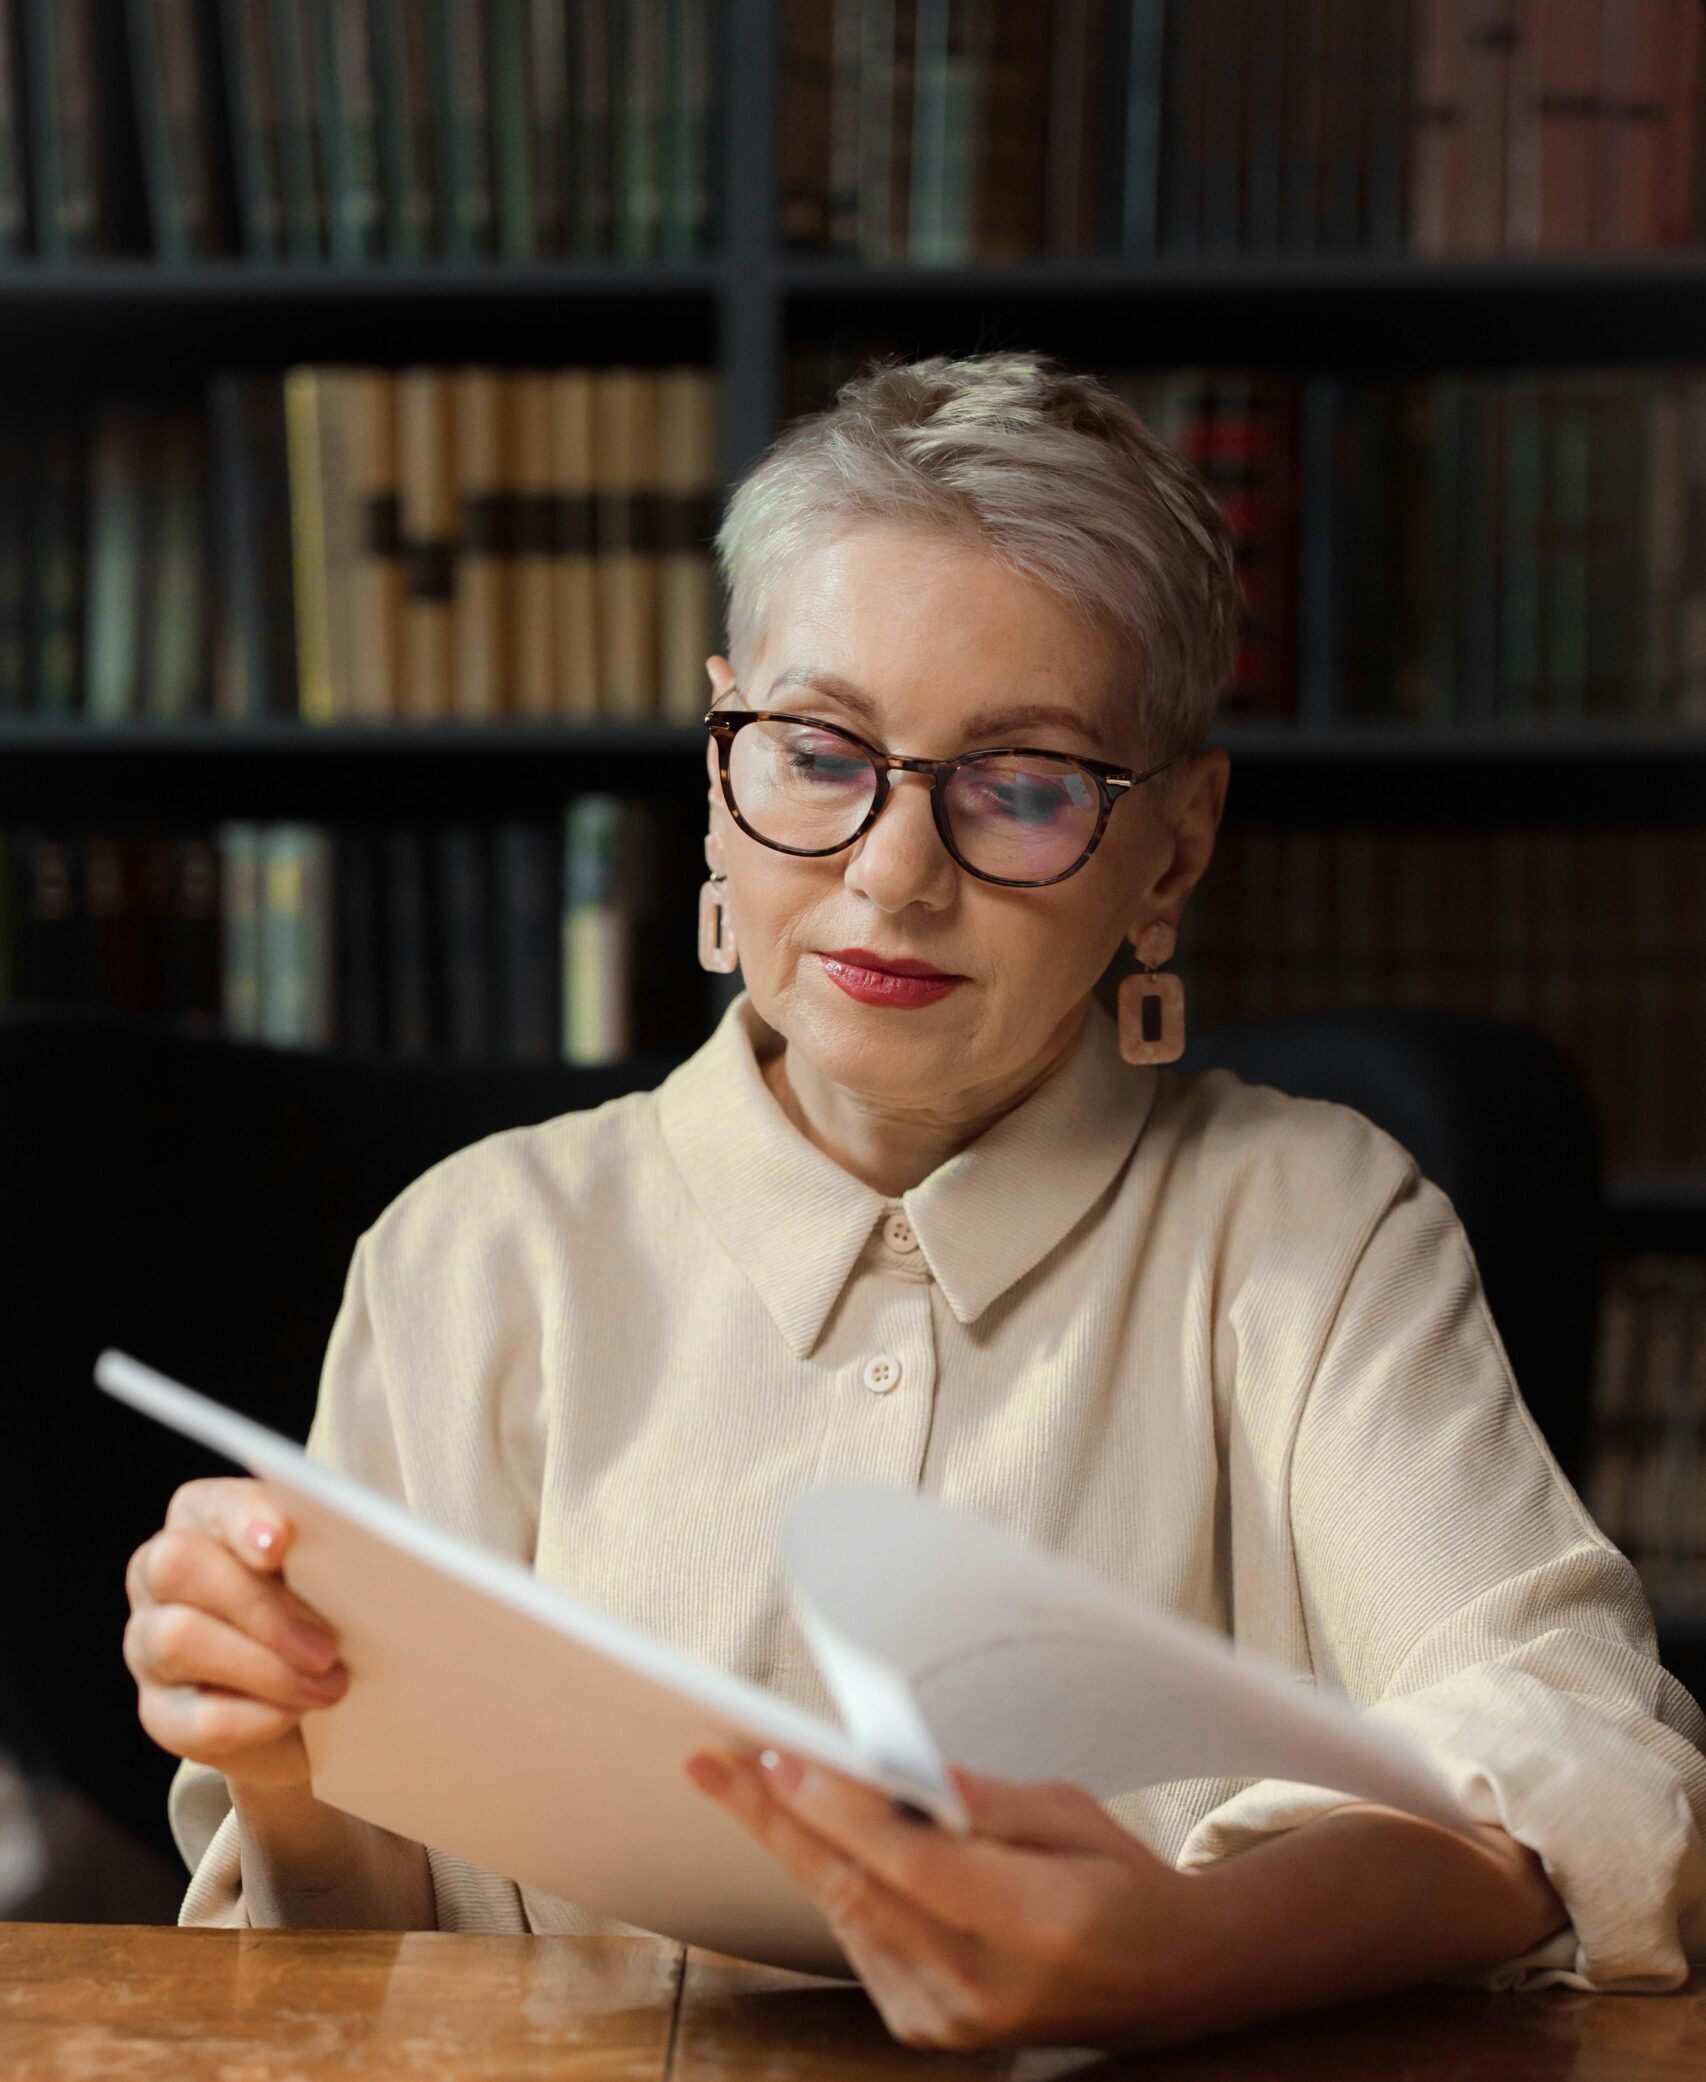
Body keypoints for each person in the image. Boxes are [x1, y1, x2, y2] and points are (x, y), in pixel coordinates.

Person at [123, 351, 1706, 2052]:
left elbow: (1597, 1765)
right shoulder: (470, 1256)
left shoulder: (1308, 1226)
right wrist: (286, 1771)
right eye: (816, 751)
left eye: (1019, 785)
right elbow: (350, 1982)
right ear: (718, 753)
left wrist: (1183, 1942)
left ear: (1171, 846)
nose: (892, 872)